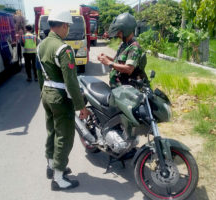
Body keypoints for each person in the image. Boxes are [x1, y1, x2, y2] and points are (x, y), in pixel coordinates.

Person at [37, 9, 91, 190]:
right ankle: (59, 178)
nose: (67, 29)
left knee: (52, 131)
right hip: (60, 97)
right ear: (62, 25)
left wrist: (42, 92)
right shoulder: (63, 48)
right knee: (64, 136)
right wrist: (81, 106)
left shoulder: (41, 45)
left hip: (46, 93)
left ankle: (51, 166)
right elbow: (71, 82)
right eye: (67, 26)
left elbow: (39, 73)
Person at [97, 13, 147, 89]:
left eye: (119, 32)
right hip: (117, 87)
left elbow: (129, 69)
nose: (117, 34)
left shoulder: (134, 47)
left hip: (125, 90)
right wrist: (107, 58)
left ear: (127, 29)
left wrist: (109, 62)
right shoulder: (123, 44)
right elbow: (117, 61)